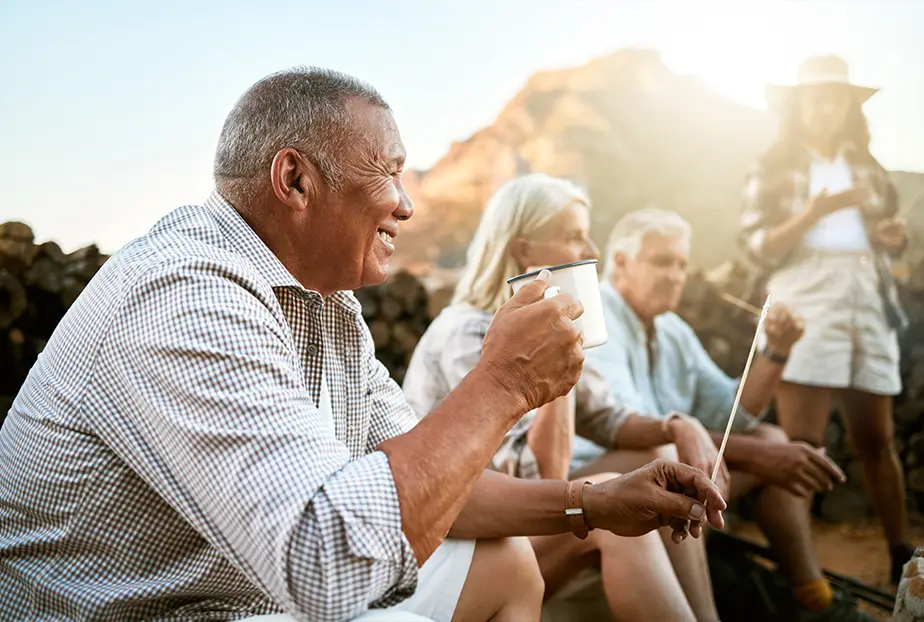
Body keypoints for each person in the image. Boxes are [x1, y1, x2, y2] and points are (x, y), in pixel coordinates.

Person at [0, 68, 726, 622]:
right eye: (389, 171)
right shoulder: (186, 292)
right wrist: (503, 383)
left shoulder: (328, 307)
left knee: (504, 564)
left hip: (252, 598)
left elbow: (449, 490)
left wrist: (594, 504)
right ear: (296, 179)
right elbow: (323, 565)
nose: (408, 203)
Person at [403, 173, 729, 622]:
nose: (591, 252)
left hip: (517, 523)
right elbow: (546, 478)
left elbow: (608, 419)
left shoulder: (546, 329)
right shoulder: (468, 334)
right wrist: (556, 365)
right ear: (524, 252)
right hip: (466, 543)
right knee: (612, 513)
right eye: (574, 237)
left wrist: (679, 424)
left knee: (661, 453)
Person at [586, 206, 875, 621]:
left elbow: (733, 414)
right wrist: (756, 457)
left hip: (664, 458)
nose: (674, 275)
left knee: (771, 440)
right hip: (603, 475)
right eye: (662, 261)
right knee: (671, 469)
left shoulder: (671, 330)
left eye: (682, 264)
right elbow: (638, 430)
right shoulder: (601, 322)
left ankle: (812, 598)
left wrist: (776, 351)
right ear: (620, 263)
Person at [739, 54, 913, 585]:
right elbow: (755, 246)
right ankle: (803, 571)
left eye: (835, 99)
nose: (825, 108)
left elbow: (888, 230)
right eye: (816, 99)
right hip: (806, 294)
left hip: (865, 293)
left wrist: (891, 237)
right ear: (798, 105)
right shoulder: (772, 166)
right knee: (803, 444)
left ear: (847, 106)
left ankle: (902, 553)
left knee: (876, 437)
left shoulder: (870, 167)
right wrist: (816, 211)